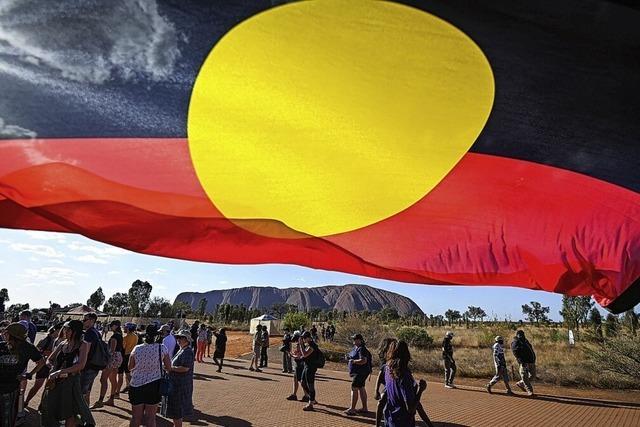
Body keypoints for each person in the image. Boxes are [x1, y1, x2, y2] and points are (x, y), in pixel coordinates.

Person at [39, 320, 95, 427]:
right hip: (55, 382)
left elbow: (80, 365)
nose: (65, 331)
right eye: (65, 329)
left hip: (71, 383)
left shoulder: (83, 345)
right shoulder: (62, 343)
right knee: (50, 408)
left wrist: (61, 371)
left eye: (68, 329)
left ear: (75, 331)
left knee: (70, 412)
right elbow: (49, 360)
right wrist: (52, 368)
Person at [0, 323, 44, 427]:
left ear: (13, 335)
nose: (4, 334)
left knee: (7, 417)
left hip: (11, 389)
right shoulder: (1, 345)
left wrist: (28, 375)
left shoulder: (27, 348)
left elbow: (41, 362)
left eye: (6, 333)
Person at [128, 324, 172, 427]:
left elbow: (130, 367)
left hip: (136, 385)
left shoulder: (137, 349)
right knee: (150, 418)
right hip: (154, 385)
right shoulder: (162, 348)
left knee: (135, 417)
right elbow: (169, 367)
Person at [162, 330, 194, 427]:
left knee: (177, 411)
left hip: (180, 386)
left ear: (187, 339)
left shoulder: (187, 351)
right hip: (176, 384)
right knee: (176, 411)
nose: (178, 339)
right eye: (178, 337)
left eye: (181, 338)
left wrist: (170, 368)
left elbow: (185, 368)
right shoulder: (182, 350)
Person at [25, 324, 62, 407]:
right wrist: (45, 353)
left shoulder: (62, 341)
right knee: (37, 386)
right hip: (44, 366)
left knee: (48, 388)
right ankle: (26, 401)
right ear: (56, 330)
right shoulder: (47, 339)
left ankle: (42, 405)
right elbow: (37, 350)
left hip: (54, 366)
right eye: (61, 329)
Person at [383, 340, 416, 427]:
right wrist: (420, 390)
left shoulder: (387, 368)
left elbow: (383, 398)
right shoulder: (403, 374)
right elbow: (410, 408)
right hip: (403, 420)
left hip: (390, 417)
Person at [93, 320, 124, 407]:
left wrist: (106, 358)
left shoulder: (114, 336)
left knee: (103, 379)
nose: (110, 326)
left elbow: (111, 350)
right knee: (113, 378)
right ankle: (111, 398)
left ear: (116, 326)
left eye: (112, 325)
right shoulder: (120, 335)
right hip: (118, 357)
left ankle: (100, 400)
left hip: (113, 358)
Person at [345, 333, 371, 416]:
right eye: (353, 339)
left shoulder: (362, 349)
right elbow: (352, 355)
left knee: (354, 387)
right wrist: (348, 357)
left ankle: (352, 409)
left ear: (360, 340)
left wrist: (354, 361)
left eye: (355, 339)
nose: (353, 340)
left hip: (360, 372)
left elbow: (364, 360)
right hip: (359, 372)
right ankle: (364, 408)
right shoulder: (356, 348)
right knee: (361, 387)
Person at [80, 312, 101, 405]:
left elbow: (86, 351)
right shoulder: (96, 332)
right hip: (94, 365)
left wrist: (80, 365)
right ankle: (86, 416)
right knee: (87, 392)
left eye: (85, 320)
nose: (83, 322)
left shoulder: (89, 333)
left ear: (92, 321)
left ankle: (79, 416)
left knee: (80, 393)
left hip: (87, 366)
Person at [511, 330, 536, 396]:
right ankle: (529, 391)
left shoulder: (525, 341)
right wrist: (521, 362)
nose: (522, 336)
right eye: (520, 334)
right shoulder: (515, 342)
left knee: (532, 376)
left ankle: (520, 383)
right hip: (524, 362)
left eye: (522, 334)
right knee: (524, 376)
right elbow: (516, 353)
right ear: (517, 335)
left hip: (531, 361)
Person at [285, 331, 308, 402]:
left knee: (301, 380)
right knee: (296, 379)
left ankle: (307, 395)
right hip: (298, 364)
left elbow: (299, 356)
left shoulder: (300, 345)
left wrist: (291, 355)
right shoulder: (300, 344)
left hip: (300, 364)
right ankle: (294, 394)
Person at [299, 331, 319, 411]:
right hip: (306, 366)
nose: (303, 340)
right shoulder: (308, 345)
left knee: (310, 385)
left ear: (308, 338)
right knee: (303, 382)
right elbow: (304, 355)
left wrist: (301, 344)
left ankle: (311, 403)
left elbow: (305, 354)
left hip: (311, 368)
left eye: (304, 338)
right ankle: (312, 398)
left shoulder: (312, 346)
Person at [118, 323, 138, 394]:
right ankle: (130, 388)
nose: (124, 329)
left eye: (125, 328)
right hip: (132, 355)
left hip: (125, 356)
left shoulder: (126, 338)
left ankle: (118, 391)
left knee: (122, 374)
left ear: (129, 329)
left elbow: (123, 347)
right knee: (129, 373)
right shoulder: (135, 336)